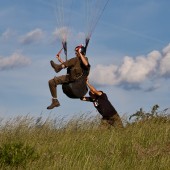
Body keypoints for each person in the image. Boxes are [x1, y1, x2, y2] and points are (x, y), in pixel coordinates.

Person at [47, 45, 90, 109]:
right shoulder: (77, 62)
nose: (75, 54)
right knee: (51, 82)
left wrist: (80, 53)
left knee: (76, 60)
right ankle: (55, 101)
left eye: (76, 53)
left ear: (81, 52)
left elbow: (86, 64)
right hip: (73, 86)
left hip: (79, 87)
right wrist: (60, 59)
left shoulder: (85, 61)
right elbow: (68, 64)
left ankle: (58, 68)